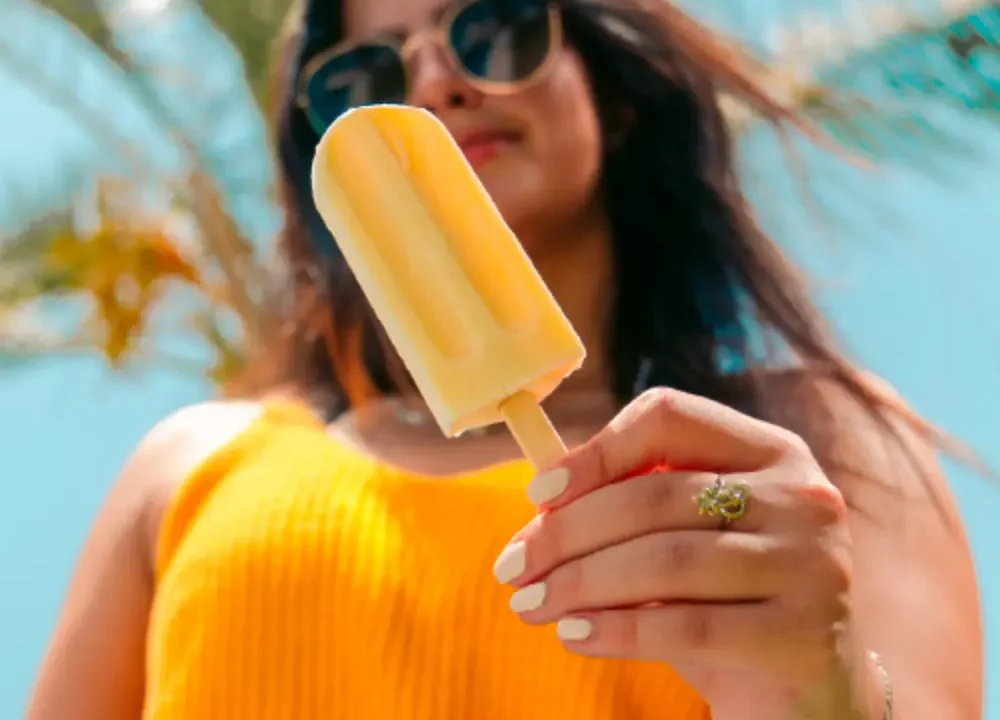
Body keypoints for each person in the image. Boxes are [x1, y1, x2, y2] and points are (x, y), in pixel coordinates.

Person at [27, 0, 982, 718]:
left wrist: (832, 686)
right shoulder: (188, 466)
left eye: (496, 27)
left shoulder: (812, 449)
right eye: (359, 81)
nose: (436, 82)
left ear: (612, 102)